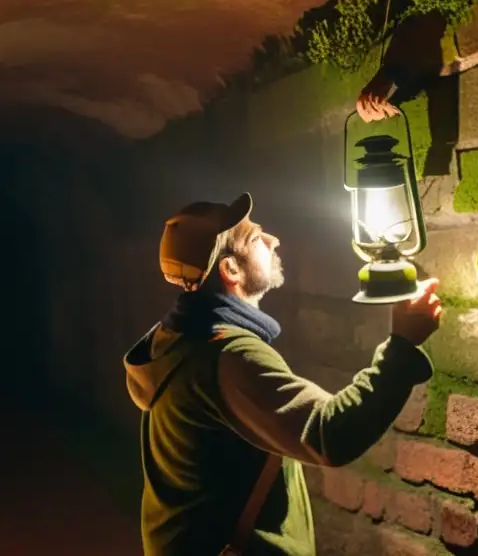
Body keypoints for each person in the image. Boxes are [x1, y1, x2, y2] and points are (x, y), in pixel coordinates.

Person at [123, 192, 443, 556]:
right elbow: (329, 433)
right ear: (230, 269)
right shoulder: (227, 355)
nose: (274, 240)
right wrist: (401, 346)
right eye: (256, 237)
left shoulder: (175, 340)